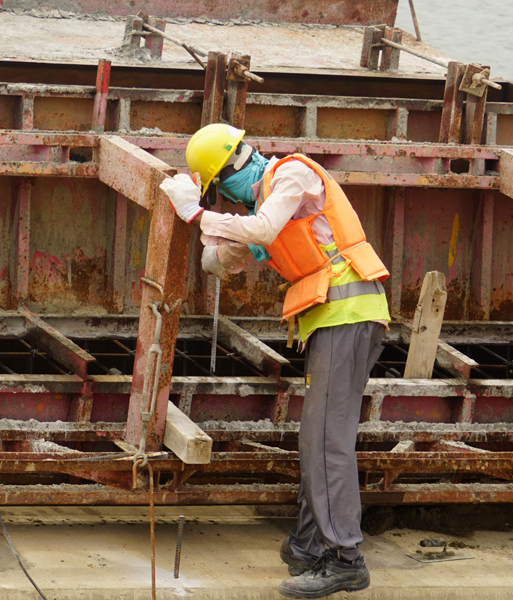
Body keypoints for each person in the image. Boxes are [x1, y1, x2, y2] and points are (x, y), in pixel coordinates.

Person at [160, 123, 390, 599]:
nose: (230, 198)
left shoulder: (292, 176)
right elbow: (225, 260)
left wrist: (197, 213)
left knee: (327, 441)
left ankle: (345, 560)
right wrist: (202, 227)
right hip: (334, 319)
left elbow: (260, 228)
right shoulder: (265, 207)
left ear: (230, 172)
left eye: (222, 187)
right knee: (317, 439)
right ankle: (308, 547)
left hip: (348, 313)